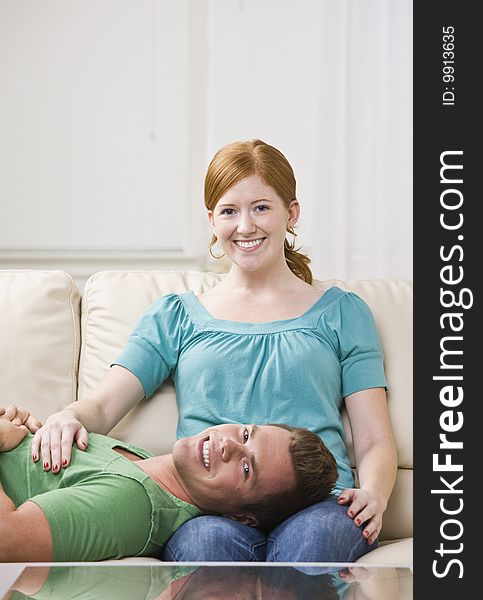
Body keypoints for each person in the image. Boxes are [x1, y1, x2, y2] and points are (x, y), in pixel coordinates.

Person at [7, 138, 397, 562]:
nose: (245, 226)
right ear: (212, 220)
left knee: (312, 545)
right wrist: (67, 417)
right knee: (205, 548)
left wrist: (374, 494)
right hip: (213, 506)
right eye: (230, 211)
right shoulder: (177, 314)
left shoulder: (342, 312)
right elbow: (102, 406)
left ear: (292, 212)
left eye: (261, 207)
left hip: (323, 502)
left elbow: (374, 437)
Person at [0, 414, 337, 562]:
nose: (228, 445)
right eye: (246, 434)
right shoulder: (146, 460)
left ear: (242, 517)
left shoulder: (133, 503)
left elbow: (6, 539)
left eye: (247, 468)